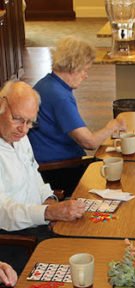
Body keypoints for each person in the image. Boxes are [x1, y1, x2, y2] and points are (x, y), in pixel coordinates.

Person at [0, 80, 86, 273]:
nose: (23, 129)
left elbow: (34, 176)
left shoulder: (19, 137)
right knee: (77, 261)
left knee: (90, 238)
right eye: (18, 119)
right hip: (14, 240)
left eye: (30, 122)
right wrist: (47, 213)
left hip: (38, 224)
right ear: (1, 106)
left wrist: (49, 201)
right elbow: (3, 212)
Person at [28, 36, 126, 196]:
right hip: (58, 169)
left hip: (51, 163)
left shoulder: (47, 84)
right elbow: (90, 142)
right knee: (118, 172)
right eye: (84, 70)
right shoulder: (60, 96)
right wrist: (113, 125)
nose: (86, 76)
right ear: (72, 67)